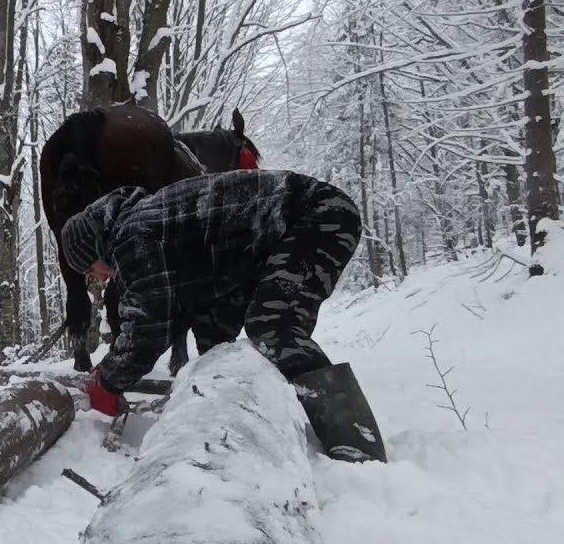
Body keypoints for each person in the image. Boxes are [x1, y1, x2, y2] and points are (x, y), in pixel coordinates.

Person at [59, 169, 387, 463]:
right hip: (284, 233)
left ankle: (357, 447)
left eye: (91, 269)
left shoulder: (134, 235)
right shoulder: (152, 225)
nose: (100, 278)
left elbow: (148, 324)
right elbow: (199, 309)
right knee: (215, 333)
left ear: (96, 248)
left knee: (274, 327)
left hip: (317, 215)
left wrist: (109, 381)